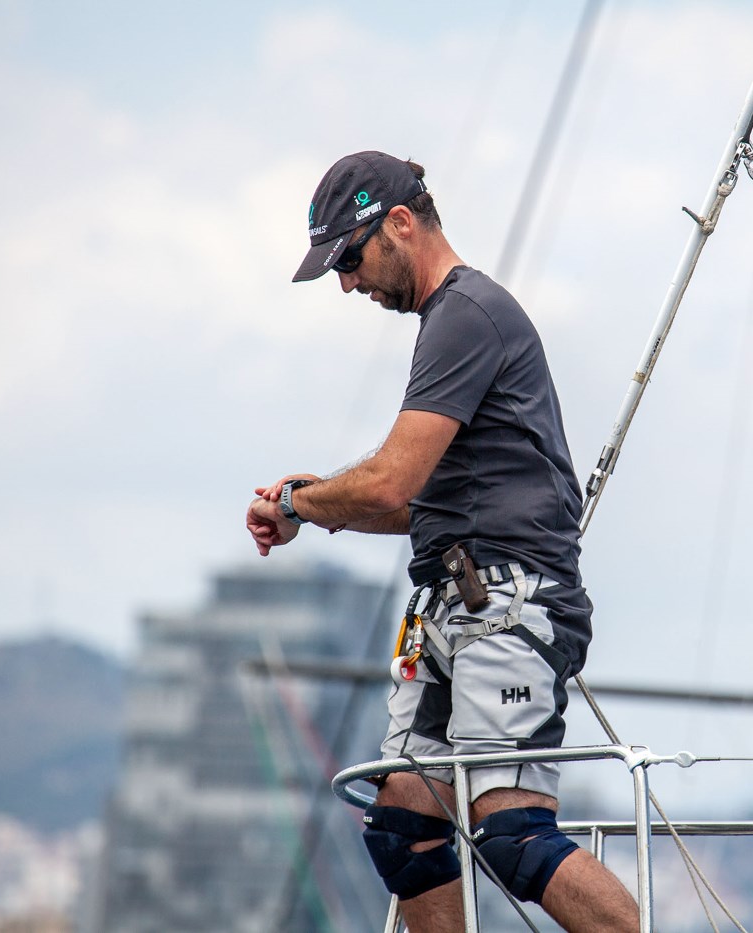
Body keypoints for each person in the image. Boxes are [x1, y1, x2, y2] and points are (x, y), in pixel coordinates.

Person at [245, 151, 640, 932]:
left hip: (510, 605)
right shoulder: (449, 320)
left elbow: (392, 482)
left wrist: (298, 499)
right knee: (406, 825)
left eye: (349, 260)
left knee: (513, 836)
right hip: (456, 609)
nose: (348, 284)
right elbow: (419, 503)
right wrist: (317, 505)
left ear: (400, 224)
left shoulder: (467, 313)